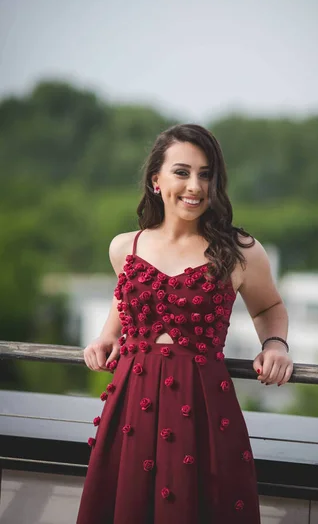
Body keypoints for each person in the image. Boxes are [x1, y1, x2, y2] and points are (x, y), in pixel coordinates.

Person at [77, 123, 293, 524]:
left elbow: (269, 308)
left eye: (205, 174)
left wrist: (276, 345)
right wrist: (107, 336)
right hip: (129, 410)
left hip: (203, 414)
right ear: (155, 180)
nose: (195, 186)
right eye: (182, 172)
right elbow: (124, 298)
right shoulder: (126, 246)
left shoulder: (241, 250)